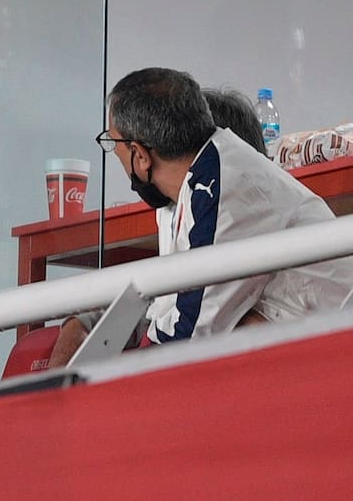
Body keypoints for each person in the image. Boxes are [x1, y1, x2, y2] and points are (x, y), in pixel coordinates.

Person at [48, 68, 353, 366]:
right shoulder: (180, 193)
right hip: (306, 345)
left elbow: (189, 340)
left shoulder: (224, 187)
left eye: (112, 144)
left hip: (332, 353)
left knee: (237, 337)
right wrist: (82, 326)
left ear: (139, 155)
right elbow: (164, 310)